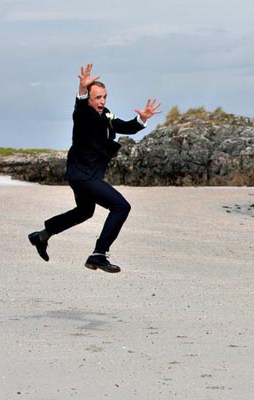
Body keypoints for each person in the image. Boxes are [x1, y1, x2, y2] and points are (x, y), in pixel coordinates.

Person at [28, 63, 161, 273]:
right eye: (98, 97)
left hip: (84, 175)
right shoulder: (83, 115)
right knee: (121, 207)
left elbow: (125, 127)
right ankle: (99, 254)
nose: (102, 101)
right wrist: (82, 89)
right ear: (88, 98)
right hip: (84, 175)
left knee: (84, 212)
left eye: (104, 97)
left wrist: (142, 118)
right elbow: (80, 106)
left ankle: (42, 235)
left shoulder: (105, 114)